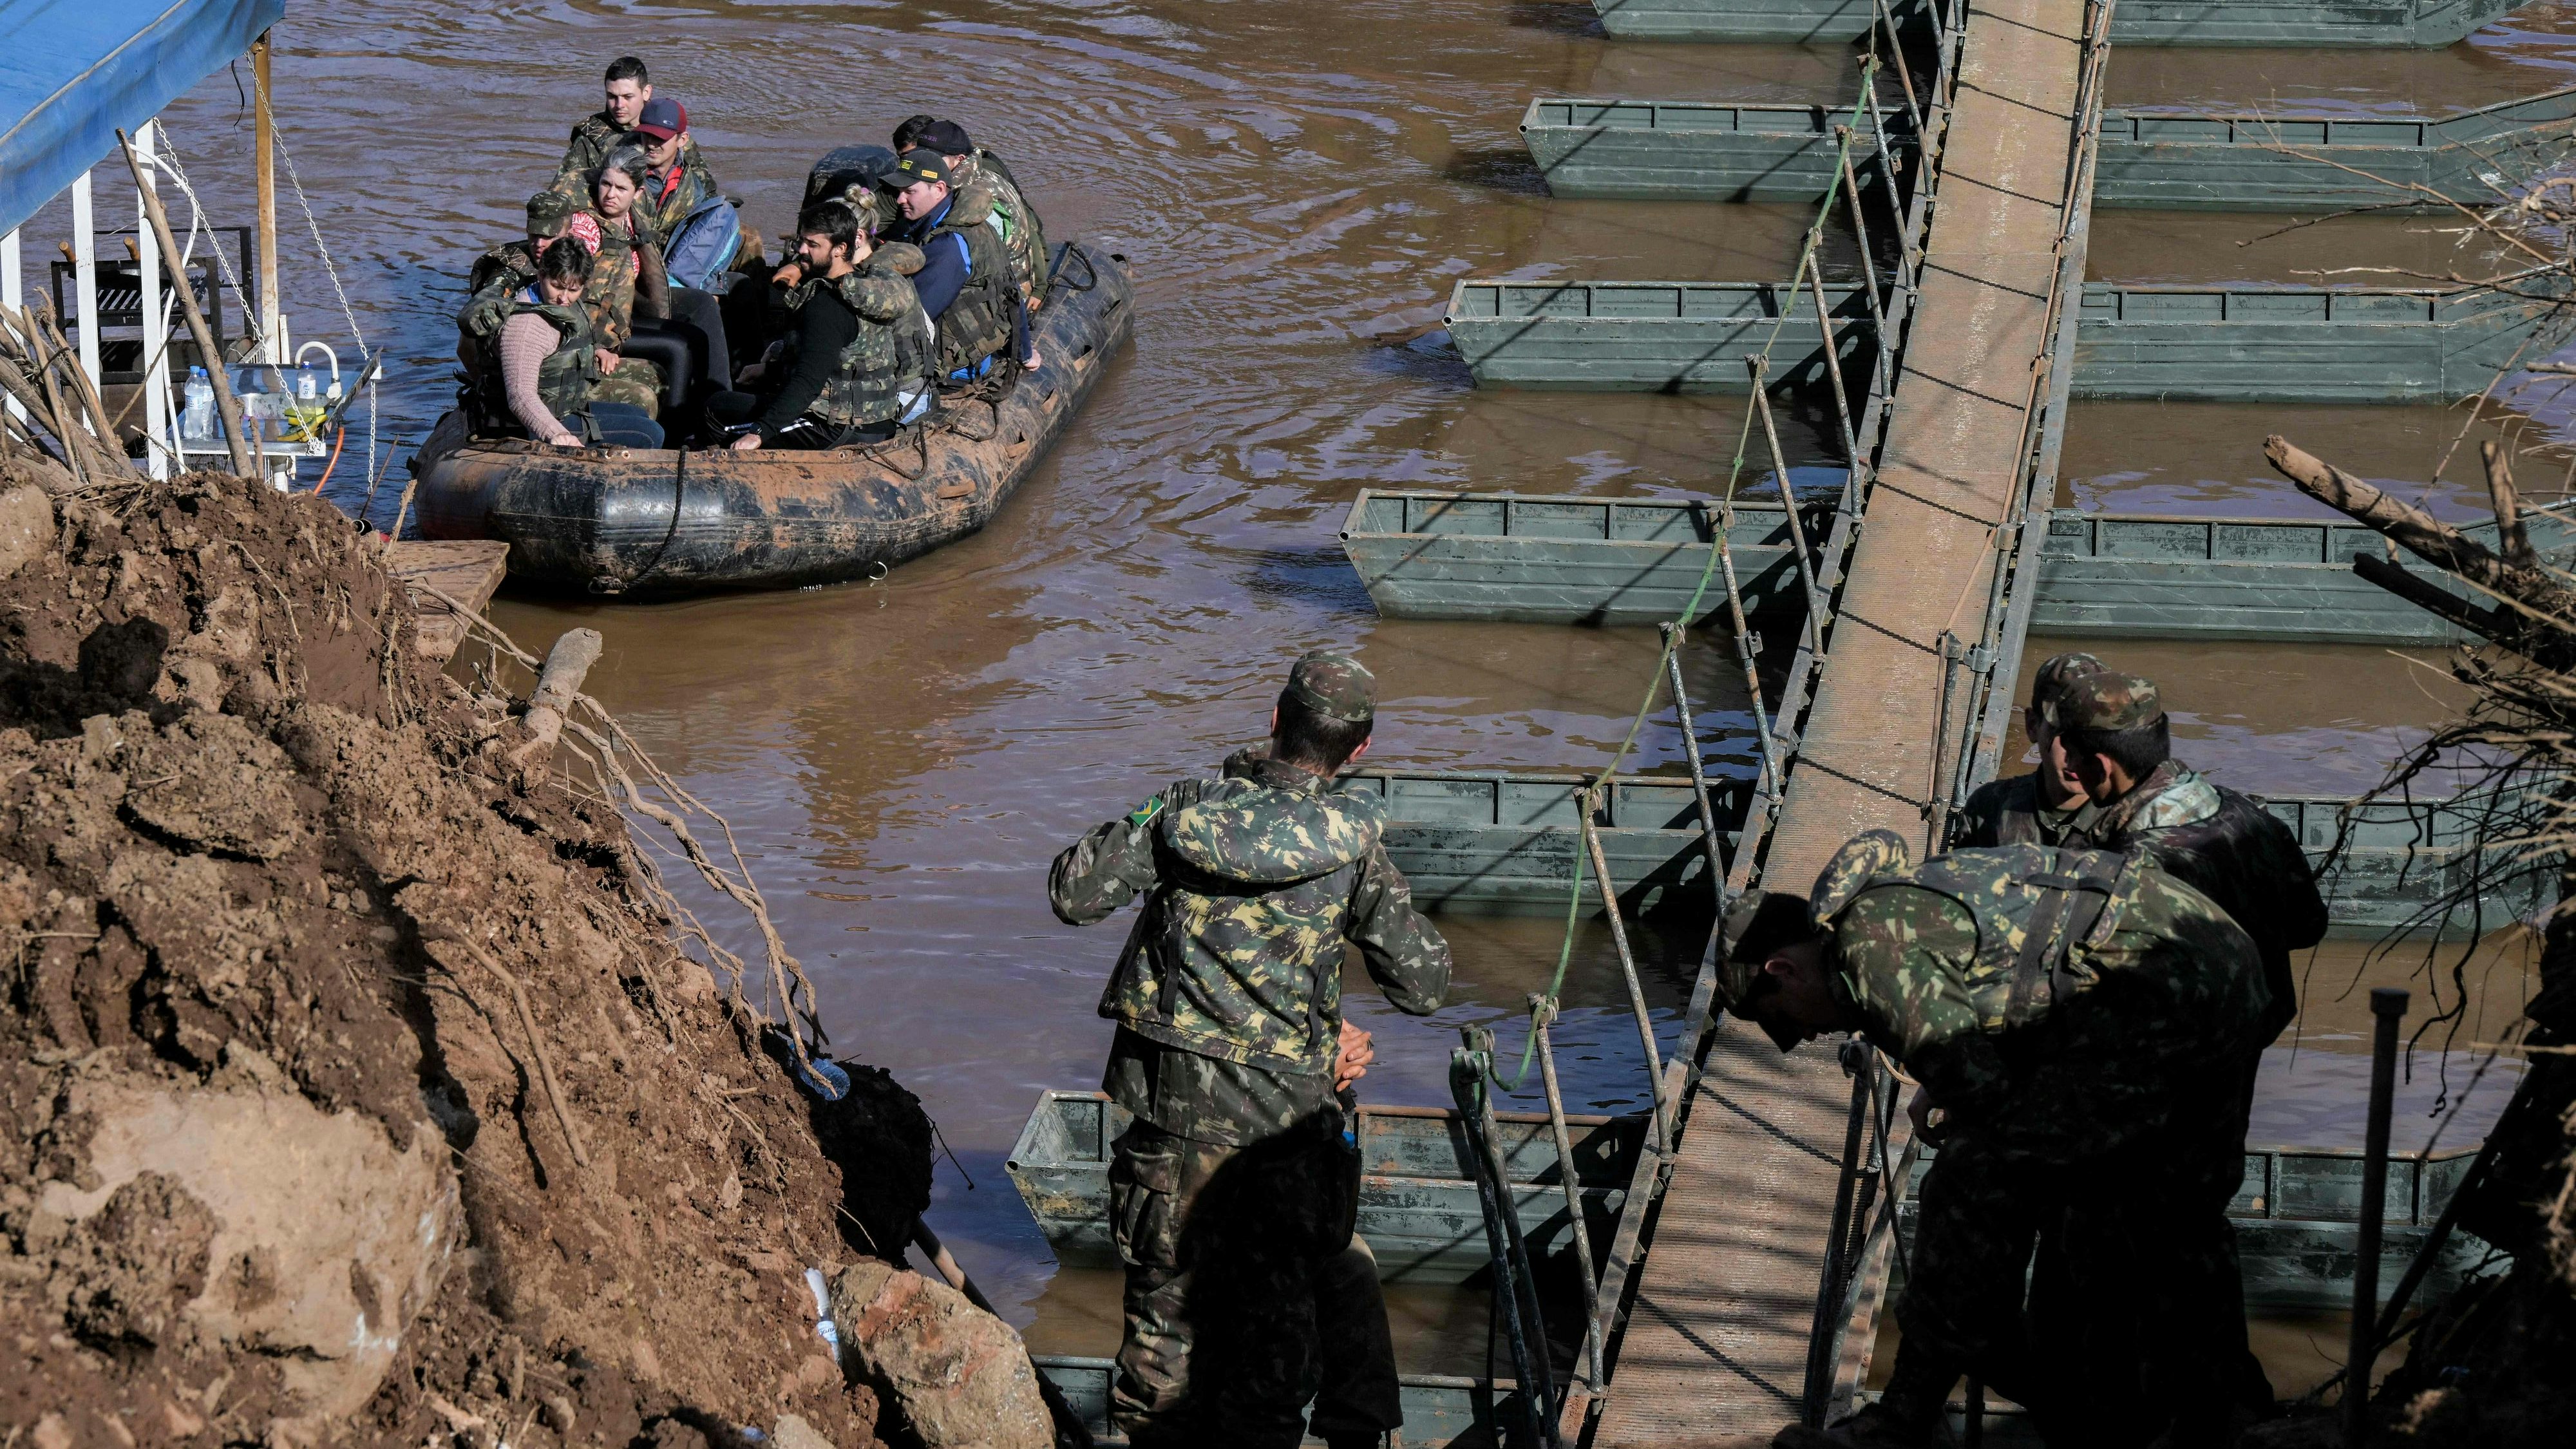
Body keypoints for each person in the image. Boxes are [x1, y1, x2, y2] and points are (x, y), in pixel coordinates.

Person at [1720, 830, 2273, 1449]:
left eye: (1784, 1019)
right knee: (2168, 1206)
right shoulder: (1887, 901)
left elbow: (1990, 1105)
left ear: (1784, 969)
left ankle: (1904, 1422)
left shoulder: (1867, 951)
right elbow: (2000, 986)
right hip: (2213, 965)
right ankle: (2217, 1413)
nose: (1808, 1036)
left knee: (1970, 1185)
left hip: (2164, 992)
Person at [1048, 652, 1452, 1449]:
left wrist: (1155, 819)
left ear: (1273, 719)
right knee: (1267, 1378)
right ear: (1359, 749)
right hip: (1284, 1152)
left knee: (1159, 1367)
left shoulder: (1184, 813)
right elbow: (1424, 985)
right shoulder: (1355, 850)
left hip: (1172, 1142)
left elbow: (1073, 892)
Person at [2045, 670, 2331, 1428]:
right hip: (2238, 1053)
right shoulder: (2242, 814)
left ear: (2097, 763)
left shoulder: (2138, 862)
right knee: (2198, 1222)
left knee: (2127, 1238)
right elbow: (2308, 924)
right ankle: (2224, 1402)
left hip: (2164, 1075)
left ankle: (2151, 1413)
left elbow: (2096, 995)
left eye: (2069, 751)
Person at [708, 198, 933, 451]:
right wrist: (770, 371)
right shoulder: (866, 290)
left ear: (840, 248)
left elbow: (808, 382)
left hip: (834, 429)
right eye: (801, 241)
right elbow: (839, 365)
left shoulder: (827, 305)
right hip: (877, 421)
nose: (802, 250)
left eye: (813, 244)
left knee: (716, 408)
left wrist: (760, 432)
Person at [466, 238, 662, 449]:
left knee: (639, 414)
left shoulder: (559, 303)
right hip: (528, 424)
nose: (564, 298)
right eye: (557, 287)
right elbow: (520, 397)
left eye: (574, 290)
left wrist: (595, 350)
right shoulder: (527, 327)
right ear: (541, 275)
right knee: (650, 434)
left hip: (561, 407)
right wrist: (557, 434)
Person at [887, 149, 1035, 382]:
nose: (900, 200)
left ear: (939, 189)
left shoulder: (947, 247)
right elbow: (1012, 290)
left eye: (909, 192)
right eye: (899, 192)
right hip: (977, 353)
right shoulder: (976, 224)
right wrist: (1025, 353)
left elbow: (910, 320)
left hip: (953, 372)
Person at [1948, 651, 2106, 850]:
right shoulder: (1987, 812)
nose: (2079, 754)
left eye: (2094, 733)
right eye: (2062, 732)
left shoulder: (2134, 823)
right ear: (2033, 726)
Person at [900, 117, 1050, 312]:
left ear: (959, 160)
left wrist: (1040, 288)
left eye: (935, 158)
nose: (926, 163)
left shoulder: (976, 200)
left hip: (1005, 297)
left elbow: (1029, 228)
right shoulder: (979, 174)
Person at [585, 144, 678, 417]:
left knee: (695, 331)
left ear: (638, 193)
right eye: (606, 184)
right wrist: (597, 347)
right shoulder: (586, 229)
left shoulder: (630, 221)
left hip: (620, 319)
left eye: (621, 188)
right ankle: (676, 432)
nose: (610, 194)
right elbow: (571, 295)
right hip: (595, 331)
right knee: (678, 349)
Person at [554, 55, 710, 194]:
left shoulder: (672, 131)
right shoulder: (591, 139)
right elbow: (562, 192)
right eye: (612, 97)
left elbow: (706, 188)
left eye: (628, 97)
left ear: (646, 92)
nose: (619, 105)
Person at [629, 97, 722, 249]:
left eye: (660, 137)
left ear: (682, 140)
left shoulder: (692, 181)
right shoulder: (625, 173)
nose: (651, 144)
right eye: (647, 135)